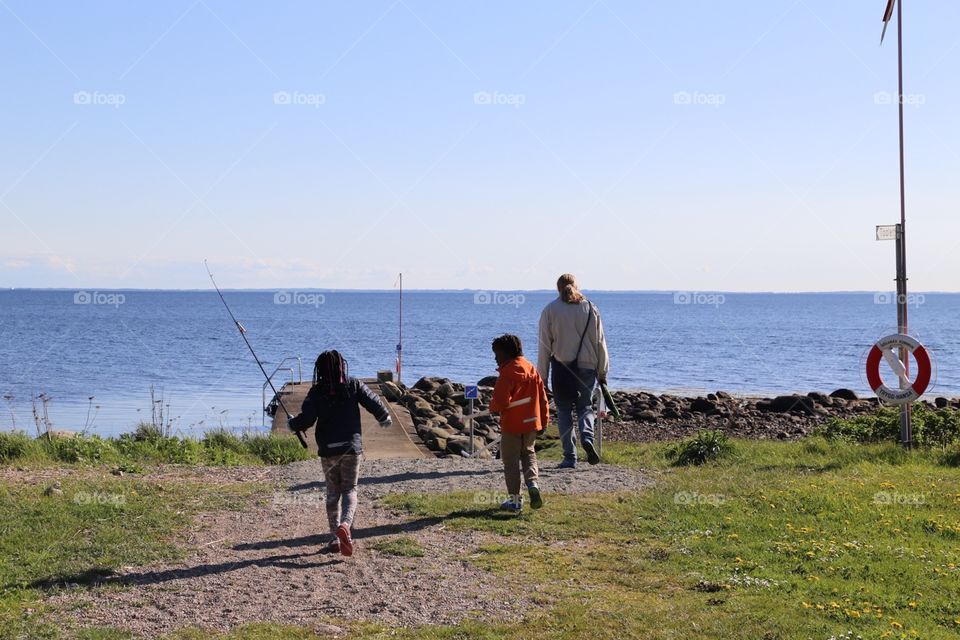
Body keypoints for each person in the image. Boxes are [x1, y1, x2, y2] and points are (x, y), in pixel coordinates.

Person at [288, 350, 393, 556]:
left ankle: (334, 537)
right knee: (350, 490)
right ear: (341, 366)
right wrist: (383, 417)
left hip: (328, 450)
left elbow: (306, 420)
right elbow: (373, 401)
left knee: (333, 492)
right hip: (351, 448)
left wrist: (293, 424)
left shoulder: (316, 392)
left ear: (319, 370)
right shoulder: (353, 385)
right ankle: (345, 525)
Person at [537, 274, 609, 468]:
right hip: (586, 368)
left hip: (561, 368)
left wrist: (541, 377)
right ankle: (587, 436)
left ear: (557, 288)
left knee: (564, 411)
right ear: (576, 286)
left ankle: (570, 457)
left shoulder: (550, 310)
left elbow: (544, 346)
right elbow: (600, 342)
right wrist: (603, 372)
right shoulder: (591, 308)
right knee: (585, 407)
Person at [489, 334, 549, 513]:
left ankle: (515, 500)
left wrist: (493, 407)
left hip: (512, 425)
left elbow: (500, 401)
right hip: (531, 422)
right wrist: (544, 421)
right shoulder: (531, 369)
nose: (495, 358)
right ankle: (533, 484)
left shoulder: (507, 373)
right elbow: (543, 399)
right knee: (529, 454)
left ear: (506, 354)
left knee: (511, 462)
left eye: (497, 354)